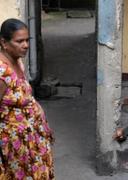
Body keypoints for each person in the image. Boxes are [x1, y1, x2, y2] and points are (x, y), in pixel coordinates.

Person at [0, 18, 54, 179]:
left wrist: (44, 126)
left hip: (34, 139)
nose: (26, 45)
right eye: (19, 41)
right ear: (4, 42)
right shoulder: (2, 73)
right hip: (15, 146)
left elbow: (27, 96)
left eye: (27, 40)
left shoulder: (18, 62)